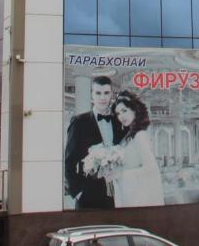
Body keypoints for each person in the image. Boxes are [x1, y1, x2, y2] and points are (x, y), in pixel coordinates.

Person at [64, 76, 122, 209]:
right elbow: (69, 161)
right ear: (92, 95)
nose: (102, 97)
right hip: (88, 196)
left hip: (118, 195)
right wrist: (77, 192)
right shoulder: (79, 122)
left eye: (106, 93)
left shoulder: (118, 122)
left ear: (111, 95)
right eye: (98, 93)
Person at [109, 90, 165, 208]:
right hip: (129, 193)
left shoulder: (140, 136)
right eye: (118, 113)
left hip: (138, 197)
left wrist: (121, 174)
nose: (121, 117)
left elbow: (151, 169)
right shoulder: (128, 136)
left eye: (124, 111)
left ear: (134, 110)